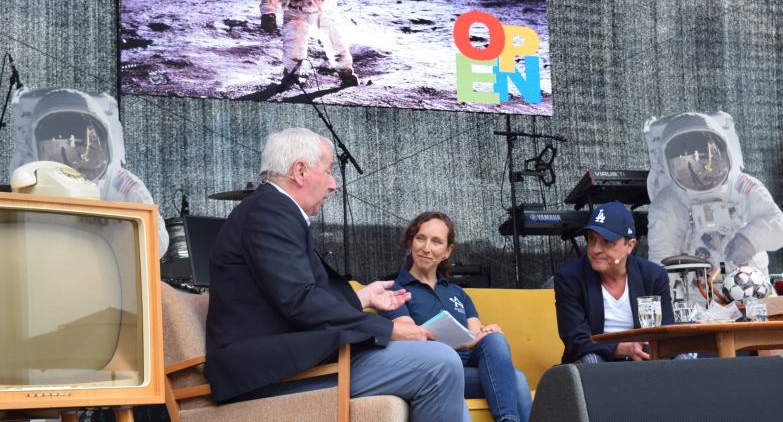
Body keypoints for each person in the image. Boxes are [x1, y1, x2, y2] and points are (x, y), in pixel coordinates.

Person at [205, 128, 469, 421]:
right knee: (441, 363)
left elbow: (292, 294)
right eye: (329, 171)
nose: (333, 185)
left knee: (444, 368)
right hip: (271, 372)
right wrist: (390, 329)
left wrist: (362, 297)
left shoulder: (272, 211)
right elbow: (299, 300)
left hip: (301, 357)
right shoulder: (269, 212)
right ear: (300, 171)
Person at [381, 211, 532, 422]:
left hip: (471, 367)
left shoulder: (458, 293)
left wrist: (486, 332)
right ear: (410, 242)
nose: (426, 248)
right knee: (516, 379)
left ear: (447, 251)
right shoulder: (394, 292)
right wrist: (468, 342)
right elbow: (410, 338)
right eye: (420, 238)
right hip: (436, 372)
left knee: (495, 338)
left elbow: (476, 335)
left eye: (436, 242)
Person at [644, 111, 783, 303]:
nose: (702, 172)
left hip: (751, 290)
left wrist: (750, 239)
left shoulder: (742, 186)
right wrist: (672, 305)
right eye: (688, 165)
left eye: (708, 160)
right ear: (668, 164)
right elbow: (662, 261)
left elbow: (778, 226)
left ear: (726, 151)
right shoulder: (668, 203)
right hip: (698, 299)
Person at [9, 87, 169, 257]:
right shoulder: (30, 182)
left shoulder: (121, 186)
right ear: (36, 147)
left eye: (85, 149)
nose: (75, 162)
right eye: (60, 150)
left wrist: (110, 228)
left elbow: (157, 244)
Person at [555, 201, 681, 363]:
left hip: (644, 359)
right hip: (598, 359)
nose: (595, 249)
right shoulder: (570, 278)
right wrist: (621, 348)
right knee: (591, 360)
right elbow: (576, 340)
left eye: (607, 241)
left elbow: (667, 331)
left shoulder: (653, 276)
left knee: (685, 356)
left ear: (630, 245)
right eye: (592, 239)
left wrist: (644, 351)